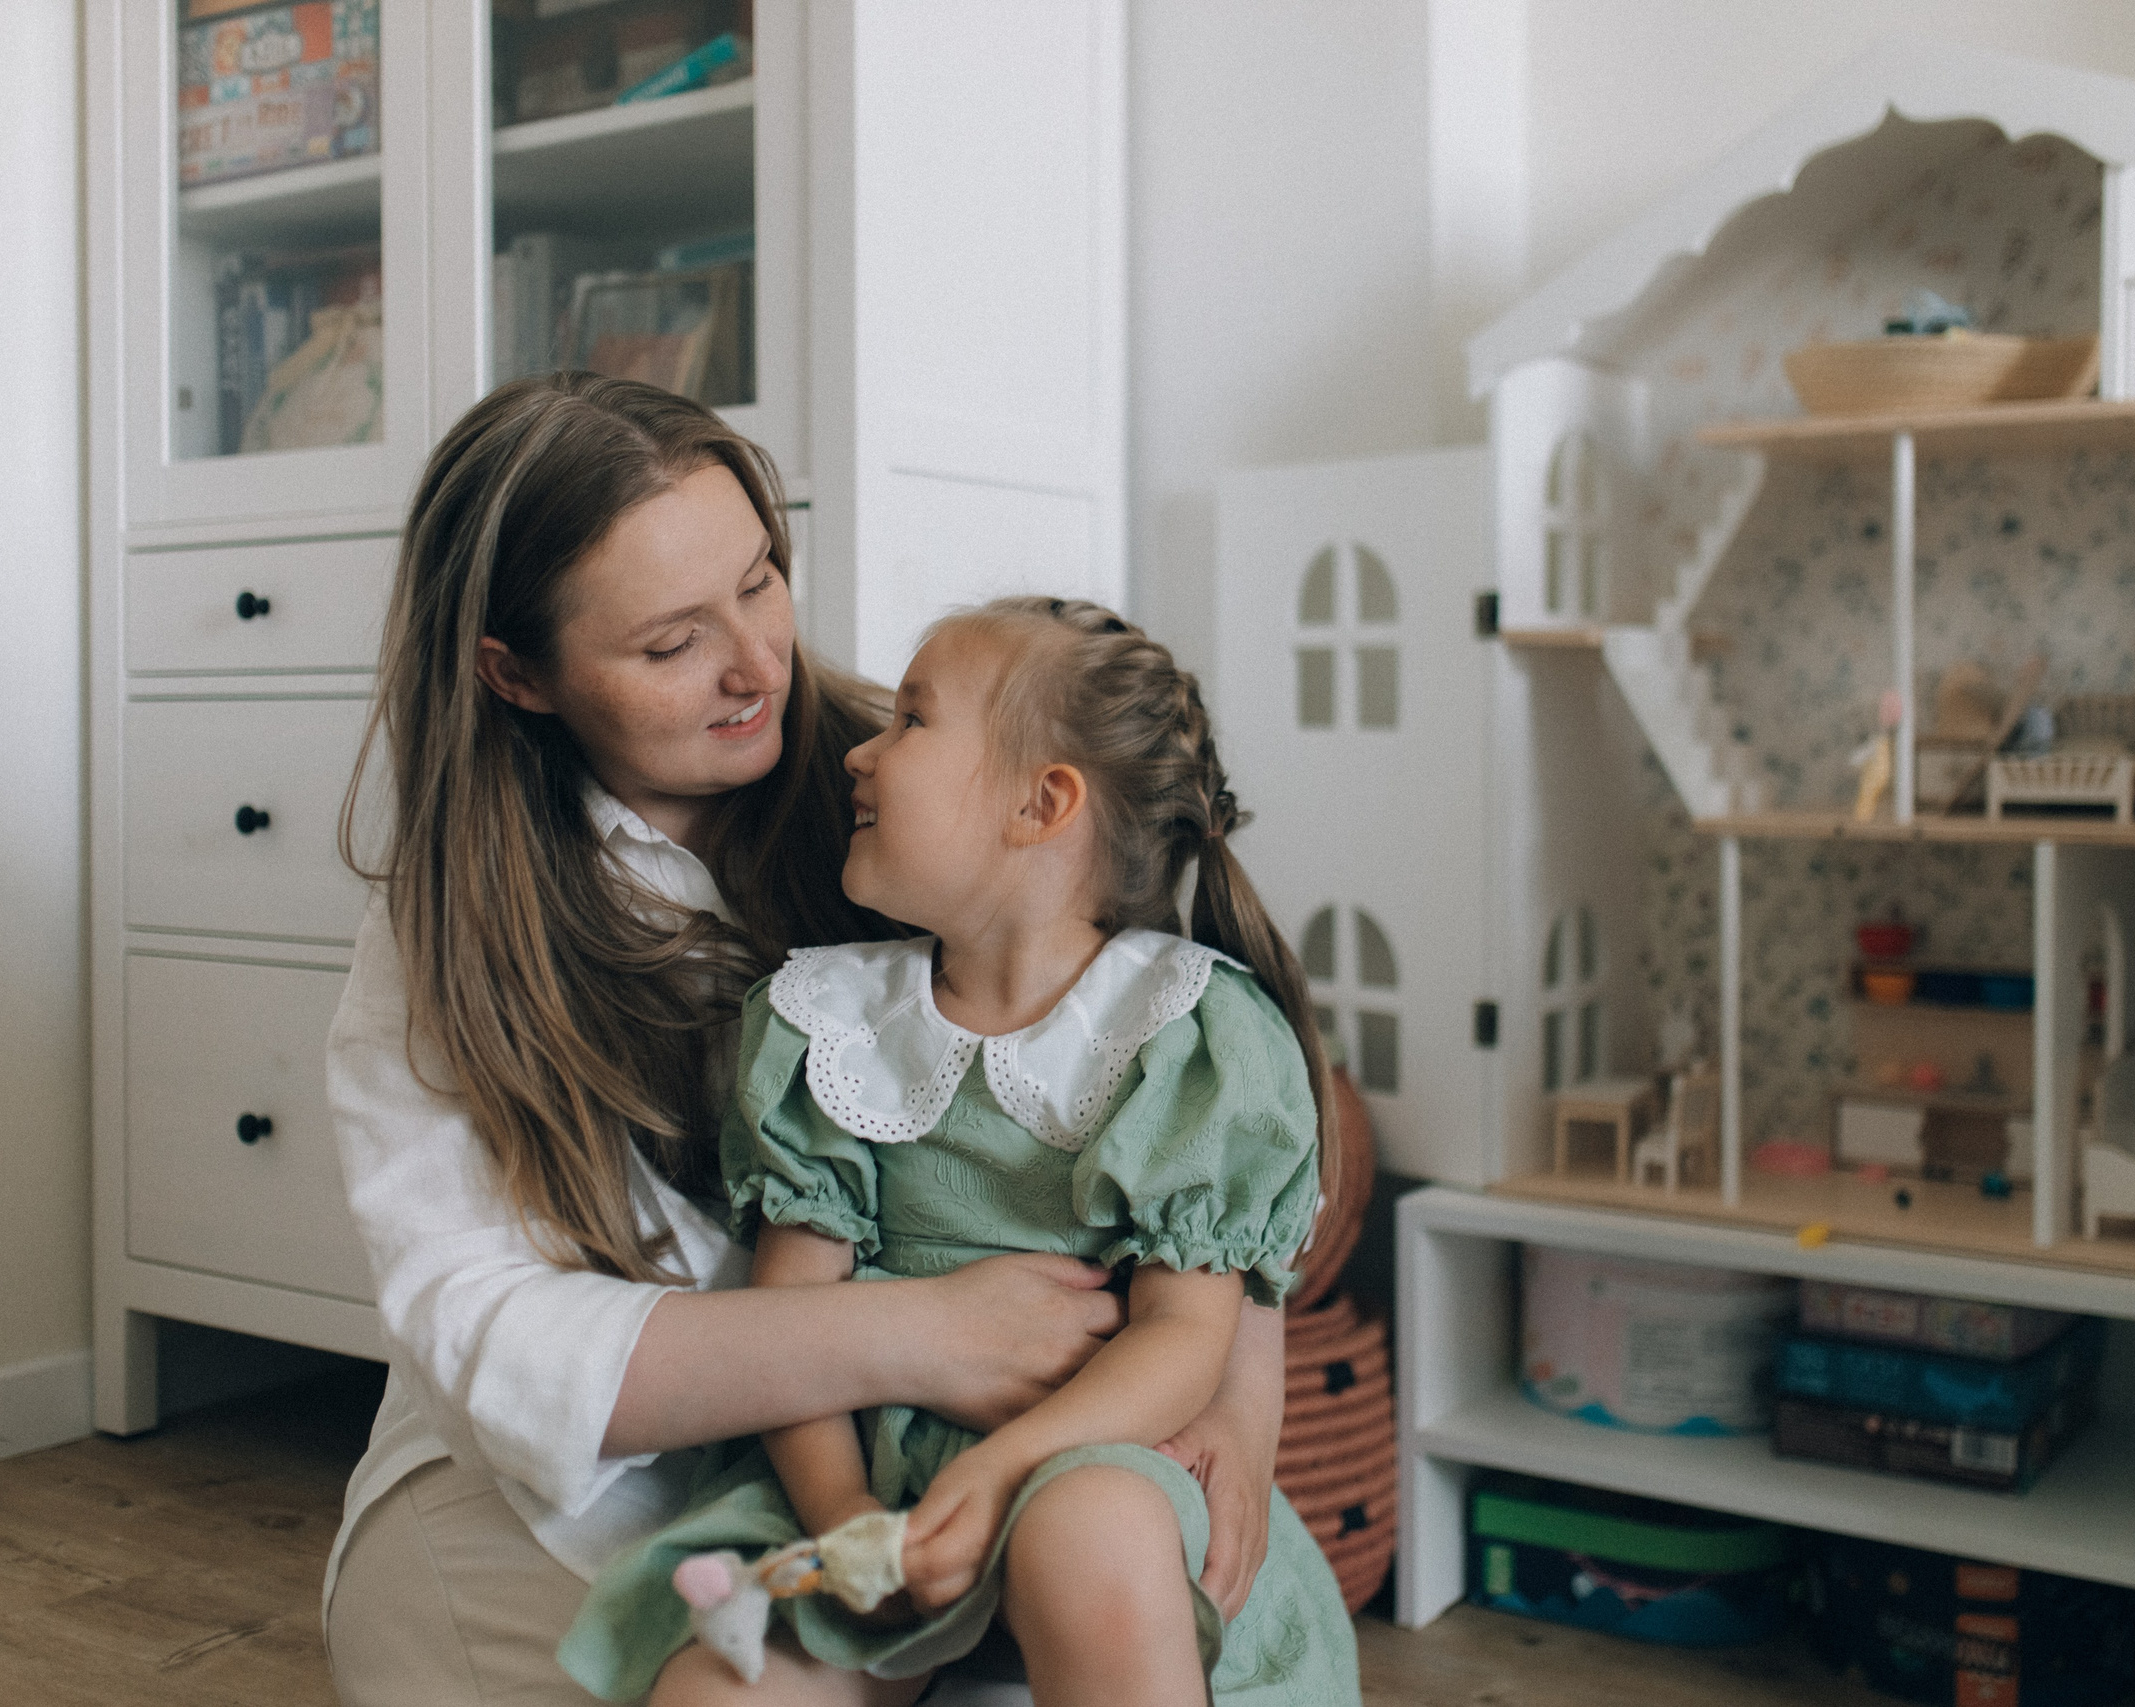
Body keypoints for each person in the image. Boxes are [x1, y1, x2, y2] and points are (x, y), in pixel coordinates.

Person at [322, 374, 1290, 1707]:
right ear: (518, 672)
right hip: (653, 1463)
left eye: (762, 579)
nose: (756, 664)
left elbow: (1194, 1109)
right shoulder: (456, 934)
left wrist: (1236, 1403)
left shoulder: (925, 797)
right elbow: (500, 1333)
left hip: (1020, 1418)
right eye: (670, 645)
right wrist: (913, 1338)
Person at [559, 597, 1361, 1706]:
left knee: (1086, 1534)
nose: (862, 752)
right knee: (712, 1691)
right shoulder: (828, 1025)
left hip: (1095, 1457)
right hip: (872, 1476)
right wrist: (847, 1523)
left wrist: (1000, 1473)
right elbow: (795, 1327)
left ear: (1042, 803)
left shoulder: (1186, 1033)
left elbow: (1184, 1338)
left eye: (913, 721)